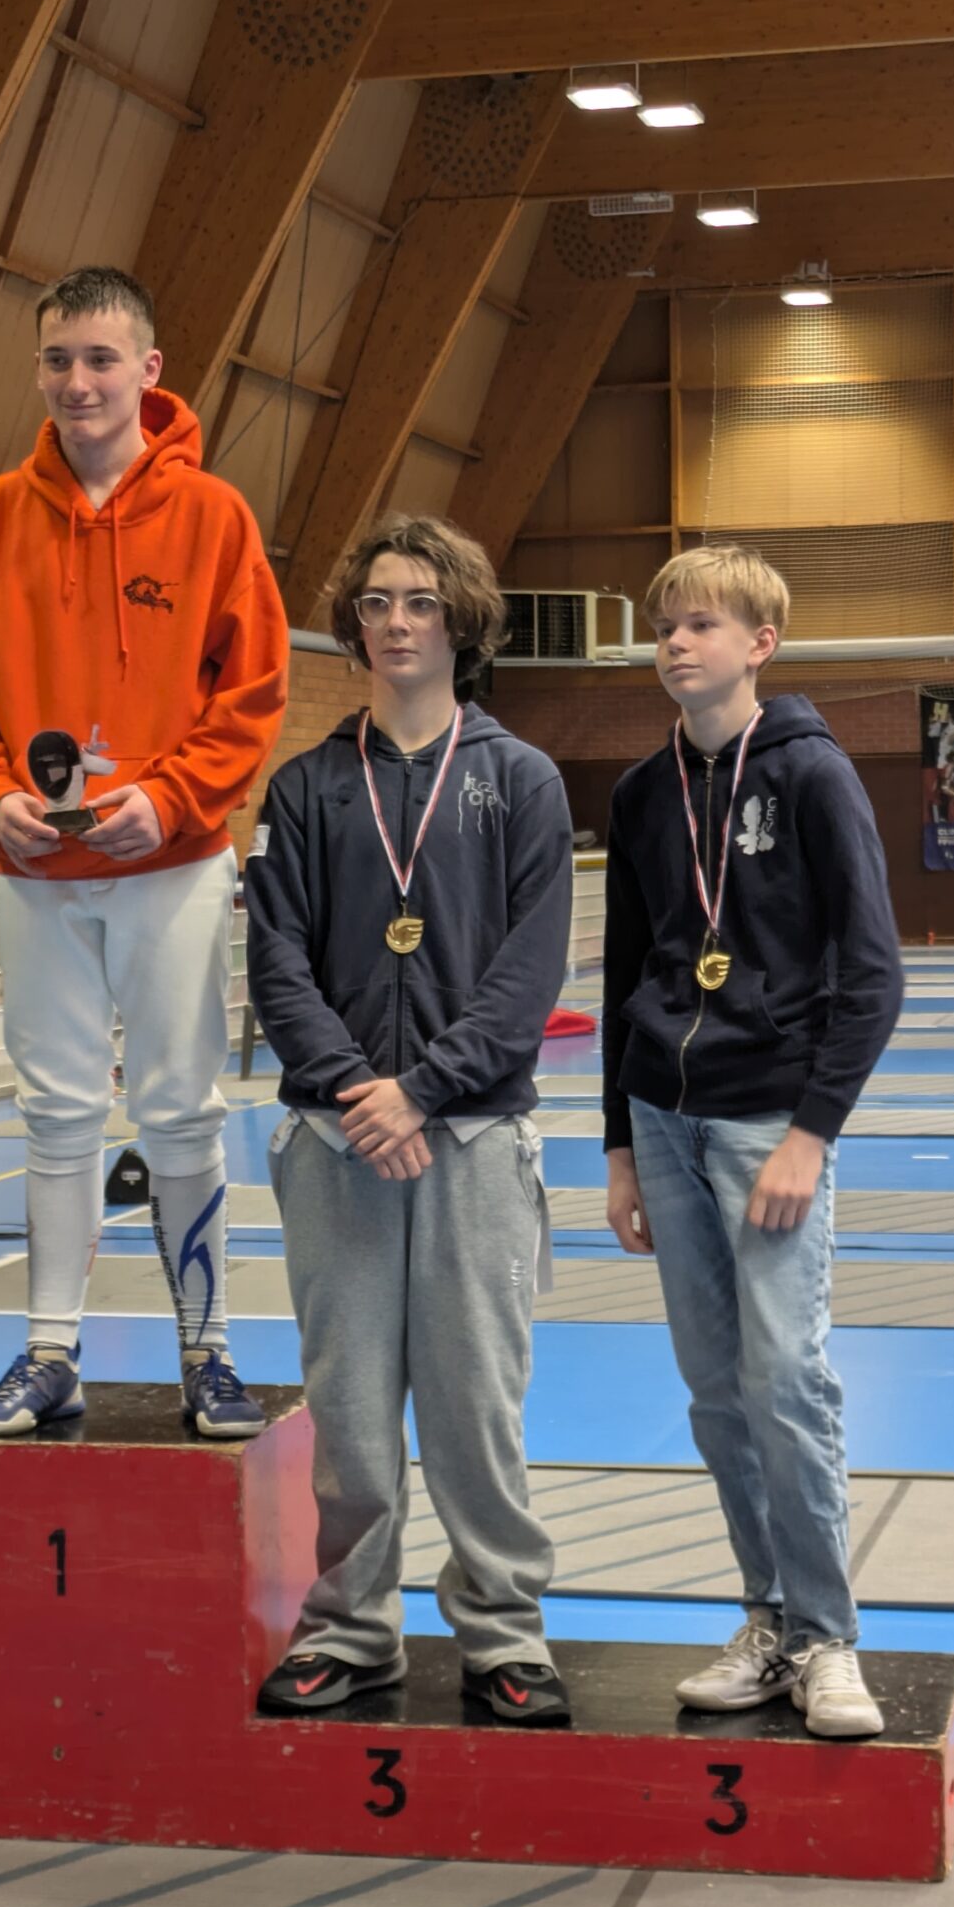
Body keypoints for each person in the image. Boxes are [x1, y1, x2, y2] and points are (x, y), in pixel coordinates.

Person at [0, 265, 288, 1440]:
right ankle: (50, 1353)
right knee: (56, 1111)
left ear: (147, 369)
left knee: (179, 1109)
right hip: (36, 874)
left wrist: (173, 798)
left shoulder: (213, 515)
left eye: (98, 358)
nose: (76, 381)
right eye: (56, 360)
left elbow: (253, 690)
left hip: (172, 866)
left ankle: (207, 1351)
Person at [244, 515, 574, 1724]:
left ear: (460, 622)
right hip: (334, 1137)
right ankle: (349, 1627)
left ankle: (502, 1630)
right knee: (345, 1408)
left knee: (475, 1402)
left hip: (471, 1135)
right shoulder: (306, 787)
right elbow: (275, 962)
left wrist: (421, 1090)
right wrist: (355, 1090)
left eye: (420, 602)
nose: (395, 622)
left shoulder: (520, 780)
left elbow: (528, 973)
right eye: (377, 601)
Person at [602, 545, 902, 1740]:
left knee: (783, 1380)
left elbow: (872, 974)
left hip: (767, 1120)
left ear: (758, 644)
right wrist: (618, 1148)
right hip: (661, 1121)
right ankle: (767, 1617)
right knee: (715, 1394)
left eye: (701, 625)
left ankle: (827, 1636)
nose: (676, 643)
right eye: (664, 626)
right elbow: (622, 976)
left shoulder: (812, 774)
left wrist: (808, 1134)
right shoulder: (642, 794)